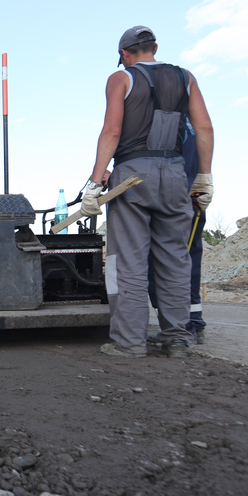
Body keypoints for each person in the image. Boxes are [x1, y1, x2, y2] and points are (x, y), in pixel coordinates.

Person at [80, 26, 214, 359]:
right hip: (174, 174)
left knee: (129, 262)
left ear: (125, 54)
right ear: (154, 47)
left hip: (132, 177)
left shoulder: (121, 79)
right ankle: (177, 339)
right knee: (174, 259)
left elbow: (112, 131)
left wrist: (95, 184)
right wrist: (204, 177)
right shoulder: (186, 78)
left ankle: (129, 343)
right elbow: (205, 129)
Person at [148, 118, 207, 343]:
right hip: (192, 199)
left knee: (164, 263)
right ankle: (191, 320)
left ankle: (183, 325)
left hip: (176, 200)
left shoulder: (170, 124)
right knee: (187, 261)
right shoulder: (192, 124)